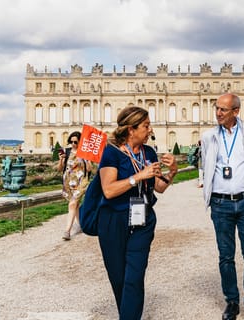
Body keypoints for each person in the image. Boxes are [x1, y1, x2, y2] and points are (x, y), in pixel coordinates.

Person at [97, 106, 178, 319]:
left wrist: (173, 172)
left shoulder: (148, 152)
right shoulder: (111, 153)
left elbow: (159, 187)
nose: (150, 130)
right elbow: (108, 190)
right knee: (119, 277)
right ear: (131, 129)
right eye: (146, 125)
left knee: (134, 275)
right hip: (114, 220)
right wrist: (138, 177)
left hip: (143, 219)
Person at [200, 93, 244, 320]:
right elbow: (206, 163)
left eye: (223, 110)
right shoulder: (208, 136)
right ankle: (232, 301)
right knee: (226, 256)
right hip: (220, 203)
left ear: (236, 112)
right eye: (217, 108)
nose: (218, 113)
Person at [57, 131, 96, 240]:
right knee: (75, 205)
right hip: (68, 181)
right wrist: (61, 160)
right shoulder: (67, 151)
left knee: (72, 204)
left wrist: (87, 160)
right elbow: (60, 169)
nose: (73, 144)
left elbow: (90, 170)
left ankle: (67, 231)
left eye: (76, 142)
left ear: (80, 142)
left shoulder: (85, 152)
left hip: (81, 181)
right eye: (71, 141)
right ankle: (81, 225)